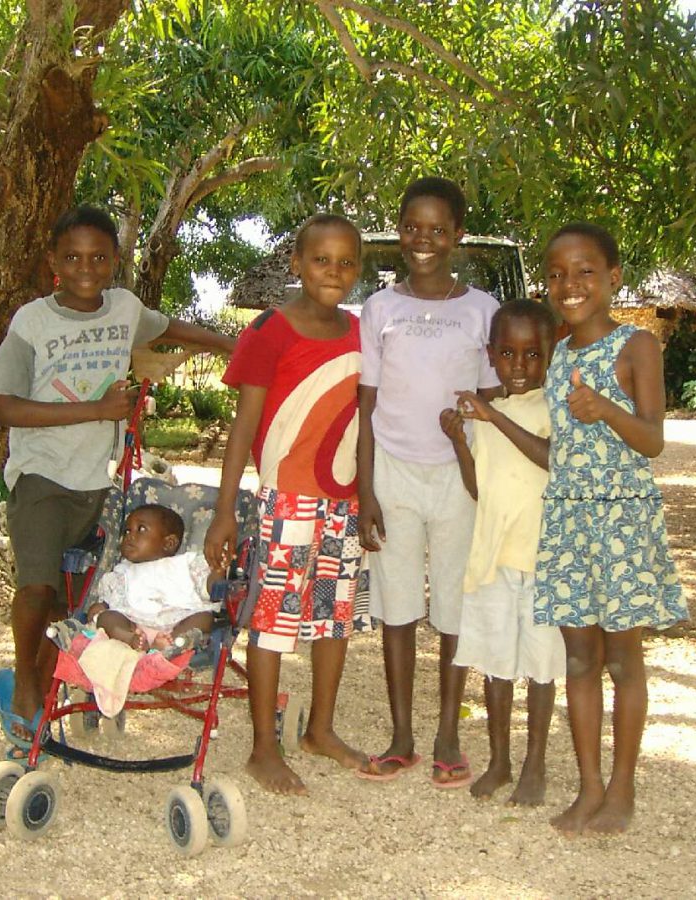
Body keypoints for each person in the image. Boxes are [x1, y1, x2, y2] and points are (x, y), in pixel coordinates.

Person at [0, 204, 236, 748]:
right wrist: (96, 410)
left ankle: (43, 688)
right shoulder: (32, 321)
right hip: (42, 475)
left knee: (68, 595)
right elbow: (4, 407)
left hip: (98, 482)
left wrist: (235, 345)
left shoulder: (124, 308)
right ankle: (25, 687)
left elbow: (170, 328)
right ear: (53, 261)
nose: (86, 268)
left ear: (115, 260)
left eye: (98, 257)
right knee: (37, 585)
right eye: (72, 257)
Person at [465, 222, 687, 833]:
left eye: (585, 271)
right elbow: (556, 450)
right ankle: (588, 788)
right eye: (557, 274)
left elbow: (653, 440)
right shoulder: (559, 354)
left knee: (623, 661)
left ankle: (622, 790)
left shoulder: (637, 346)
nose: (571, 284)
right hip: (566, 521)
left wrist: (606, 409)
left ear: (613, 278)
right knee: (580, 659)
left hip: (620, 521)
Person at [204, 213, 368, 795]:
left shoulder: (361, 333)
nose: (333, 271)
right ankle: (263, 749)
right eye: (321, 260)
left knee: (334, 617)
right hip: (286, 503)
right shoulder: (269, 331)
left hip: (343, 503)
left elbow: (367, 422)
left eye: (346, 262)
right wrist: (225, 510)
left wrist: (370, 497)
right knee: (272, 621)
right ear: (296, 263)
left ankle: (320, 730)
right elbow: (244, 426)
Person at [356, 177, 502, 787]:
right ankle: (401, 736)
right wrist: (365, 490)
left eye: (438, 229)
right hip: (392, 470)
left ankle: (447, 734)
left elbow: (495, 399)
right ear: (399, 230)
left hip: (458, 477)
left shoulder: (482, 310)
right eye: (413, 227)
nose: (423, 240)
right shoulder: (380, 308)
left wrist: (475, 451)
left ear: (458, 236)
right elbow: (366, 405)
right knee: (395, 606)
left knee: (452, 606)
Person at [440, 301, 565, 805]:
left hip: (543, 562)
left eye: (532, 354)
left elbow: (553, 459)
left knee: (541, 667)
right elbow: (479, 489)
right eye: (508, 353)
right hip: (492, 560)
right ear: (491, 355)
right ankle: (500, 761)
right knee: (495, 664)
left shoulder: (555, 408)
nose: (519, 365)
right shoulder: (486, 417)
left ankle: (535, 764)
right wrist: (459, 442)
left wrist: (491, 415)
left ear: (550, 354)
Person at [86, 504, 216, 654]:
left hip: (177, 622)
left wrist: (218, 570)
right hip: (134, 624)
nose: (130, 536)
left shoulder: (185, 566)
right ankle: (130, 640)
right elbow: (111, 600)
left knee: (204, 618)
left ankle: (171, 643)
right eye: (127, 531)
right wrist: (100, 607)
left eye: (141, 529)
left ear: (169, 543)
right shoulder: (123, 572)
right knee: (107, 617)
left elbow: (210, 589)